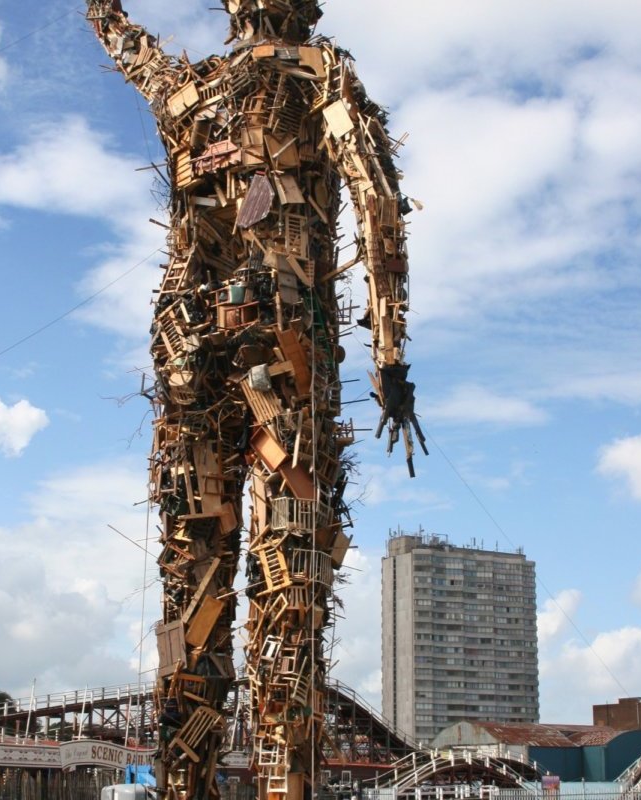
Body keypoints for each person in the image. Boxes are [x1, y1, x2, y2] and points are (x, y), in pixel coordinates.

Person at [85, 2, 425, 797]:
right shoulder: (317, 74)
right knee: (287, 602)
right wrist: (390, 355)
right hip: (282, 340)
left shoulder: (190, 91)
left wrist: (103, 12)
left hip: (187, 347)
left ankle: (182, 783)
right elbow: (377, 200)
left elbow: (129, 47)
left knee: (190, 589)